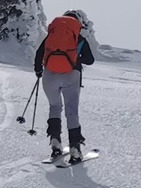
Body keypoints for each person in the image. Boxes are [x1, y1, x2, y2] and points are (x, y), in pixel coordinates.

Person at [34, 9, 96, 163]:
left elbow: (39, 54)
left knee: (55, 107)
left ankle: (55, 142)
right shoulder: (78, 38)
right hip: (71, 75)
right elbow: (90, 60)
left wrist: (38, 70)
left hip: (49, 75)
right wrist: (76, 58)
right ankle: (75, 148)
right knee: (71, 111)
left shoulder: (51, 37)